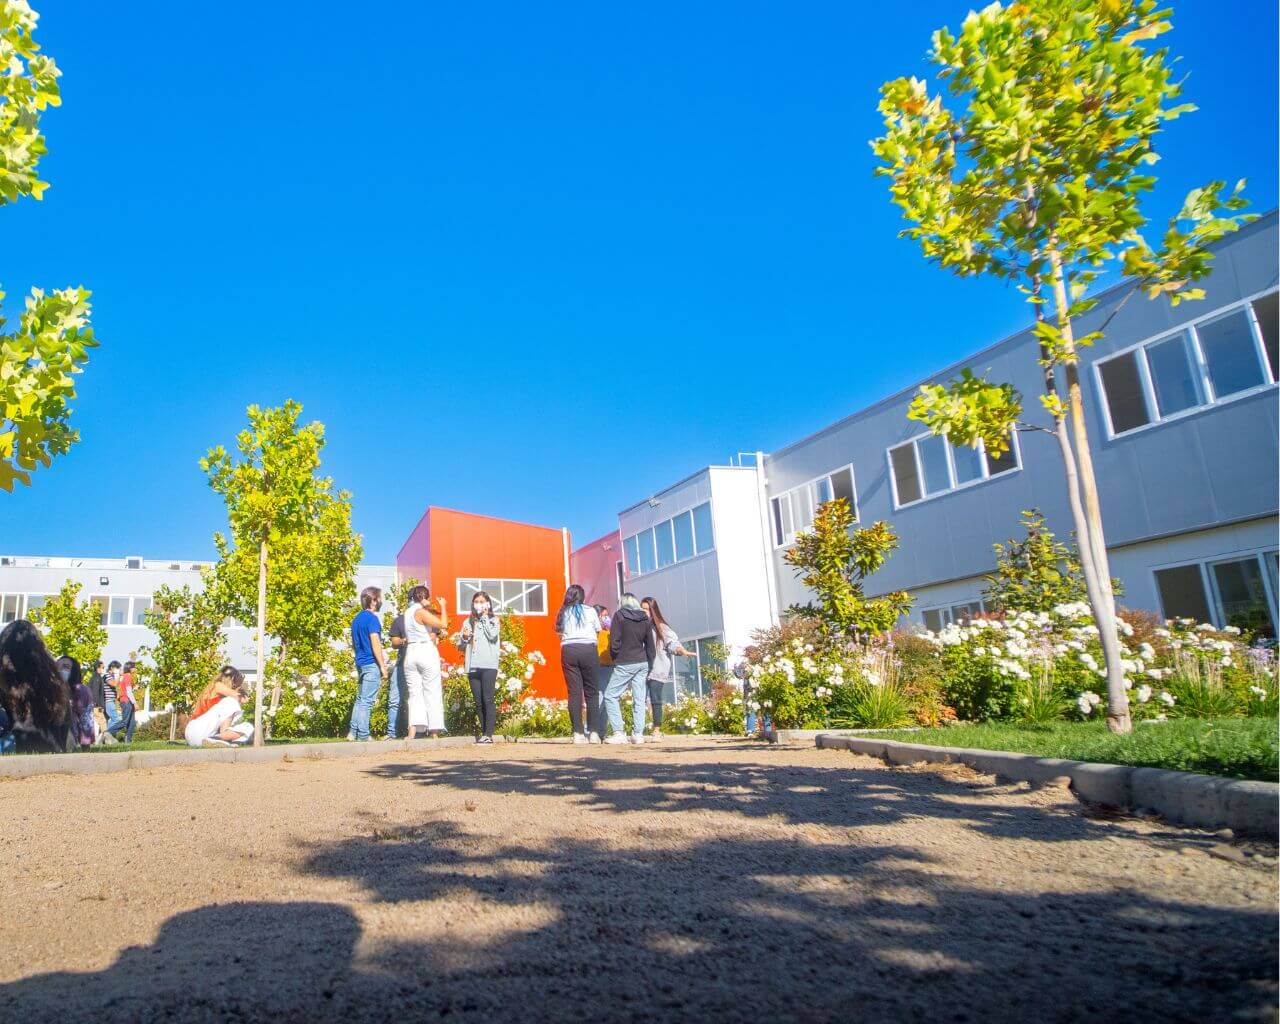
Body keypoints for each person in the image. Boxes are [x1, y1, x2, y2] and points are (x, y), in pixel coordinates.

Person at [0, 620, 75, 754]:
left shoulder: (5, 682)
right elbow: (65, 729)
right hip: (55, 751)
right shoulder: (56, 683)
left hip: (20, 751)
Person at [641, 597, 697, 741]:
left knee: (655, 698)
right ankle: (638, 731)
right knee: (639, 699)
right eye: (642, 608)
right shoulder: (639, 627)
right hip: (641, 669)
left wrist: (681, 650)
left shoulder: (662, 628)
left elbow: (672, 644)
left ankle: (657, 730)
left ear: (653, 611)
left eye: (647, 609)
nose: (644, 612)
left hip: (657, 668)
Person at [603, 593, 655, 744]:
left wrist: (615, 657)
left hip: (625, 661)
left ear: (622, 603)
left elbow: (614, 641)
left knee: (610, 695)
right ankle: (638, 734)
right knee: (639, 699)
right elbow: (650, 643)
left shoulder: (619, 616)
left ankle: (619, 733)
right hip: (642, 662)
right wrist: (650, 662)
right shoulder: (644, 617)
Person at [555, 585, 604, 743]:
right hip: (588, 649)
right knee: (592, 692)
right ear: (582, 597)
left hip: (569, 650)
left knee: (574, 692)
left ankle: (578, 732)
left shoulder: (563, 611)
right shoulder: (590, 611)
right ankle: (594, 733)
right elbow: (598, 630)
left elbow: (559, 633)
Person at [403, 585, 449, 739]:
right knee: (432, 691)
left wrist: (427, 606)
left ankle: (412, 731)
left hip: (410, 652)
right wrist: (442, 606)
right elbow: (443, 624)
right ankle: (434, 731)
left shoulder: (407, 612)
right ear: (424, 598)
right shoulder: (420, 612)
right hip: (425, 650)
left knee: (414, 694)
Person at [348, 587, 389, 742]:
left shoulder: (356, 619)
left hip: (361, 663)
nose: (381, 601)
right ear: (373, 600)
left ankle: (353, 732)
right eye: (380, 598)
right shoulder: (372, 619)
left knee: (360, 699)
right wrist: (383, 667)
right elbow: (375, 643)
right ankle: (364, 735)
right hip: (371, 664)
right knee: (367, 701)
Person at [459, 590, 501, 743]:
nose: (479, 605)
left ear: (488, 604)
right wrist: (464, 637)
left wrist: (484, 617)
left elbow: (492, 635)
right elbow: (461, 644)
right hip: (473, 665)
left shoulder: (494, 620)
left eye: (482, 601)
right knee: (478, 702)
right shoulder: (467, 621)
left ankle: (488, 735)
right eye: (476, 602)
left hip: (489, 664)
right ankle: (484, 733)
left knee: (487, 699)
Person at [184, 666, 255, 747]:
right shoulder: (217, 685)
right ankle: (221, 737)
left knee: (248, 727)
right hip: (197, 729)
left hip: (203, 736)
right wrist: (239, 692)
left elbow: (242, 700)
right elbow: (239, 698)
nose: (236, 687)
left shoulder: (221, 696)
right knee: (231, 701)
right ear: (232, 679)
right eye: (236, 684)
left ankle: (218, 739)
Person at [56, 655, 96, 749]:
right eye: (57, 665)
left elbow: (86, 720)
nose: (60, 669)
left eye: (66, 667)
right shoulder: (51, 688)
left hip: (68, 739)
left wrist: (85, 745)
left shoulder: (82, 691)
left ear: (74, 670)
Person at [383, 608, 407, 740]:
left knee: (417, 699)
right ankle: (391, 732)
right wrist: (404, 641)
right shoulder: (400, 620)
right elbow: (394, 642)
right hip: (402, 663)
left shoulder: (426, 618)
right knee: (394, 698)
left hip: (419, 664)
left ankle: (421, 730)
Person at [594, 604, 613, 730]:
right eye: (604, 616)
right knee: (600, 697)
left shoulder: (608, 631)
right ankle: (590, 728)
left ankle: (601, 730)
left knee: (607, 699)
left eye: (607, 615)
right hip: (599, 667)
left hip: (611, 667)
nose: (607, 618)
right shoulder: (594, 632)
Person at [111, 660, 138, 743]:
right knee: (124, 722)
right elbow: (129, 692)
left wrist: (134, 688)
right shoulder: (127, 676)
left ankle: (128, 740)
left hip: (127, 701)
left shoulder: (126, 676)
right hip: (126, 701)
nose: (136, 669)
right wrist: (135, 703)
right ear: (130, 668)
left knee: (132, 723)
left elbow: (127, 690)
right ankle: (107, 732)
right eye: (134, 667)